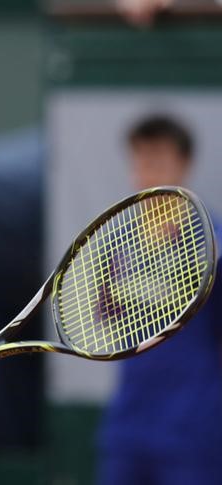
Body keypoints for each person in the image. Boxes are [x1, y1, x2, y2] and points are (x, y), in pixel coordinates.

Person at [96, 114, 222, 485]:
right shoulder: (116, 244)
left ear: (184, 164)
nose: (147, 170)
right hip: (128, 427)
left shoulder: (213, 245)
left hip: (195, 432)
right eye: (140, 159)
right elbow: (106, 319)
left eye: (158, 159)